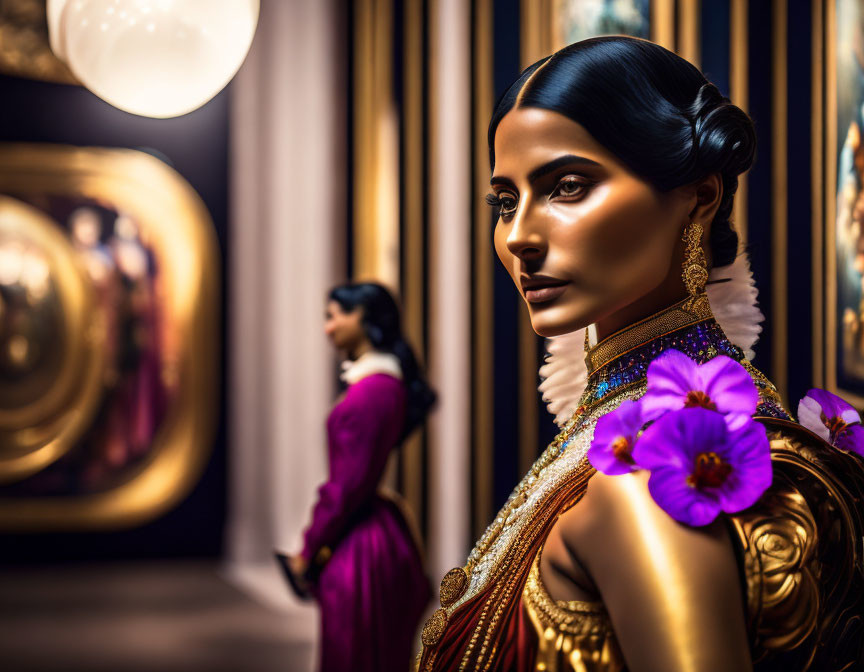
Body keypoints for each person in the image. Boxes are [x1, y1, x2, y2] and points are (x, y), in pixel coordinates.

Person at [416, 36, 864, 671]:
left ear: (699, 197)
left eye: (567, 186)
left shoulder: (656, 483)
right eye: (505, 201)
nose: (518, 237)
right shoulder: (636, 422)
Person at [287, 282, 434, 672]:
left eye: (334, 315)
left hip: (360, 548)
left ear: (363, 319)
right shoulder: (381, 387)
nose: (328, 328)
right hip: (371, 531)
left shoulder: (371, 394)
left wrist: (307, 550)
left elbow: (344, 489)